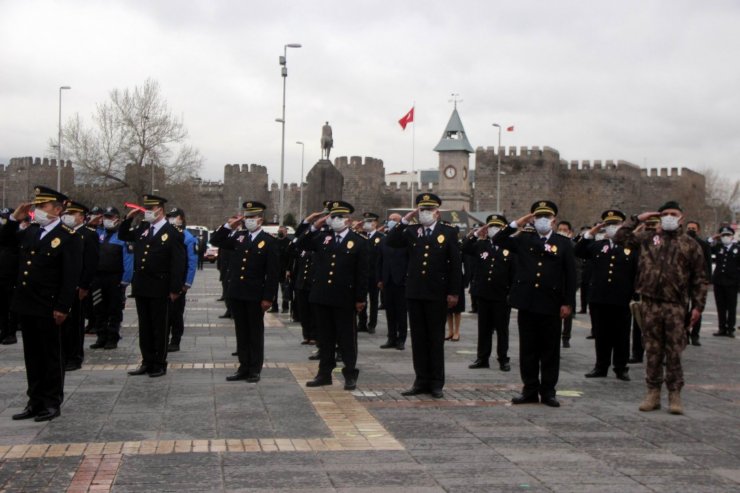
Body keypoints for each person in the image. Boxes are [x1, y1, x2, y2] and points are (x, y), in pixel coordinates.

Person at [614, 201, 708, 414]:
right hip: (650, 304)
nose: (668, 217)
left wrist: (698, 306)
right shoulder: (649, 239)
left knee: (674, 351)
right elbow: (620, 238)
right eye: (664, 213)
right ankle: (653, 392)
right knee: (653, 351)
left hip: (675, 306)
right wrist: (639, 219)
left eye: (672, 213)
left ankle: (674, 394)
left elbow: (700, 279)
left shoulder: (690, 244)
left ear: (681, 217)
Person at [1, 186, 82, 422]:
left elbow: (70, 276)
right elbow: (5, 241)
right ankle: (34, 401)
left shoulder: (68, 236)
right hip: (27, 303)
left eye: (42, 206)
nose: (37, 210)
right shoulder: (31, 232)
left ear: (57, 209)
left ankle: (51, 402)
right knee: (32, 355)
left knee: (51, 355)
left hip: (49, 305)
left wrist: (63, 306)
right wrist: (15, 219)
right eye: (36, 206)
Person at [493, 200, 577, 408]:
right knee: (528, 349)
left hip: (551, 303)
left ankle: (548, 391)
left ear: (554, 220)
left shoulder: (563, 243)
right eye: (538, 217)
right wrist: (518, 223)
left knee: (550, 350)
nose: (542, 220)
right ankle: (529, 389)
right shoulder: (524, 239)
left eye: (546, 217)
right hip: (527, 302)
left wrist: (568, 303)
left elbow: (571, 276)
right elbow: (498, 238)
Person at [387, 193, 462, 399]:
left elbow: (455, 264)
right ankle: (420, 380)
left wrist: (454, 292)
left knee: (435, 339)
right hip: (415, 292)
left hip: (437, 293)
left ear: (437, 212)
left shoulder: (448, 231)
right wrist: (404, 219)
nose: (425, 213)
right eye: (422, 210)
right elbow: (391, 241)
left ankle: (436, 382)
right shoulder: (411, 231)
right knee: (419, 339)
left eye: (428, 210)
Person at [297, 200, 368, 391]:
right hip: (322, 295)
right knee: (325, 337)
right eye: (334, 216)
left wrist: (360, 298)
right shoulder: (322, 238)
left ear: (349, 219)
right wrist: (315, 225)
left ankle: (350, 373)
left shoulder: (359, 241)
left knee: (347, 339)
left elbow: (362, 273)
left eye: (340, 217)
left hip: (345, 297)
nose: (336, 220)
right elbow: (300, 242)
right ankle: (324, 373)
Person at [210, 201, 279, 383]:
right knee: (241, 332)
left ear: (260, 219)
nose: (249, 220)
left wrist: (268, 297)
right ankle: (243, 366)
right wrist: (228, 226)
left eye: (252, 217)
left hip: (255, 294)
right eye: (247, 217)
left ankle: (254, 368)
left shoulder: (269, 241)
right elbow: (215, 241)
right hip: (237, 292)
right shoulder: (239, 237)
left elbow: (272, 274)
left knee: (255, 332)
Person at [119, 195, 186, 378]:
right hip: (141, 285)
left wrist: (175, 289)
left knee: (160, 326)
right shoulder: (143, 228)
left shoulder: (172, 232)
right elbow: (123, 235)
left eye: (151, 208)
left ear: (161, 210)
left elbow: (178, 263)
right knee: (145, 326)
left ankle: (159, 362)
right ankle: (147, 361)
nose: (148, 212)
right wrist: (128, 219)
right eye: (146, 208)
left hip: (160, 286)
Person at [575, 210, 637, 381]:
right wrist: (592, 232)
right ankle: (601, 366)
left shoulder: (630, 246)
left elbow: (636, 271)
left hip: (621, 298)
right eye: (608, 224)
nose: (612, 228)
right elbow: (578, 251)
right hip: (599, 298)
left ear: (622, 225)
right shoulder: (597, 245)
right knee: (601, 334)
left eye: (615, 224)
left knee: (622, 335)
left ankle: (621, 367)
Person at [463, 214, 514, 372]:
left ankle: (503, 358)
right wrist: (476, 234)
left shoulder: (510, 247)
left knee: (501, 329)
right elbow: (464, 248)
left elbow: (514, 272)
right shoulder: (482, 245)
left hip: (502, 295)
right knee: (483, 328)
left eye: (497, 227)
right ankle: (482, 358)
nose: (493, 229)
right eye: (491, 226)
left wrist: (511, 293)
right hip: (484, 294)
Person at [59, 201, 99, 371]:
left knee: (75, 323)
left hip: (78, 287)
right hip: (63, 286)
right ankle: (64, 354)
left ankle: (75, 357)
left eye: (72, 214)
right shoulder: (64, 232)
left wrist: (84, 285)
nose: (68, 216)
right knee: (64, 323)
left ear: (82, 217)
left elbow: (91, 262)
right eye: (67, 213)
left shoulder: (88, 234)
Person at [90, 206, 133, 350]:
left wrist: (125, 281)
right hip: (98, 278)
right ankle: (101, 336)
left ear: (117, 219)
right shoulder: (98, 234)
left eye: (111, 217)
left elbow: (128, 260)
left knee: (114, 309)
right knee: (98, 308)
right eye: (106, 217)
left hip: (115, 279)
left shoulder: (122, 236)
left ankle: (112, 337)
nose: (107, 220)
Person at [166, 208, 198, 352]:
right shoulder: (166, 234)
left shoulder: (188, 237)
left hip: (179, 281)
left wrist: (187, 283)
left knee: (176, 313)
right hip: (165, 280)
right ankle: (163, 338)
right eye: (170, 217)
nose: (172, 219)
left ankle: (175, 340)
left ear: (182, 218)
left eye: (175, 217)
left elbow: (192, 262)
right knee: (164, 314)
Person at [377, 213, 409, 350]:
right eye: (389, 219)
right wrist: (379, 279)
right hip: (387, 279)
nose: (390, 222)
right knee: (389, 311)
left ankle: (401, 339)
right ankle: (391, 337)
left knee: (401, 312)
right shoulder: (384, 240)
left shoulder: (405, 239)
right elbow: (379, 261)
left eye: (394, 220)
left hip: (401, 280)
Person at [685, 221, 712, 346]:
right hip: (684, 280)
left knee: (697, 308)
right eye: (689, 228)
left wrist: (707, 279)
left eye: (693, 228)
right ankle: (684, 334)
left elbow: (707, 263)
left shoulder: (703, 244)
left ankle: (695, 335)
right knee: (683, 309)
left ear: (698, 230)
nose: (691, 230)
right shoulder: (681, 242)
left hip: (697, 281)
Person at [358, 212, 384, 334]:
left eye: (370, 221)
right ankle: (362, 322)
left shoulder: (381, 237)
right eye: (366, 221)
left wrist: (380, 277)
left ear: (375, 223)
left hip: (374, 274)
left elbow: (382, 258)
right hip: (362, 274)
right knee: (361, 298)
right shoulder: (360, 236)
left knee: (374, 300)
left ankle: (372, 324)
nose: (367, 224)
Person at [710, 226, 738, 338]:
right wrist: (714, 237)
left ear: (732, 236)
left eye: (728, 235)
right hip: (719, 281)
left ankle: (731, 328)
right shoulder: (718, 247)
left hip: (732, 282)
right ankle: (721, 327)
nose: (725, 237)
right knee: (720, 306)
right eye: (723, 235)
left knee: (731, 307)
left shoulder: (737, 248)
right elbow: (706, 245)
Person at [0, 208, 20, 345]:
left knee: (12, 307)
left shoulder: (17, 235)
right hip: (2, 277)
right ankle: (4, 331)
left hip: (12, 277)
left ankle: (11, 332)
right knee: (2, 306)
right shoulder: (3, 234)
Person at [556, 221, 576, 348]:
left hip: (568, 285)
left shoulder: (573, 246)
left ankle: (566, 337)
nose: (562, 231)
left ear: (569, 231)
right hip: (556, 285)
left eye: (564, 229)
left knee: (568, 312)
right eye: (560, 229)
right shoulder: (554, 244)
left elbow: (577, 267)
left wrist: (574, 285)